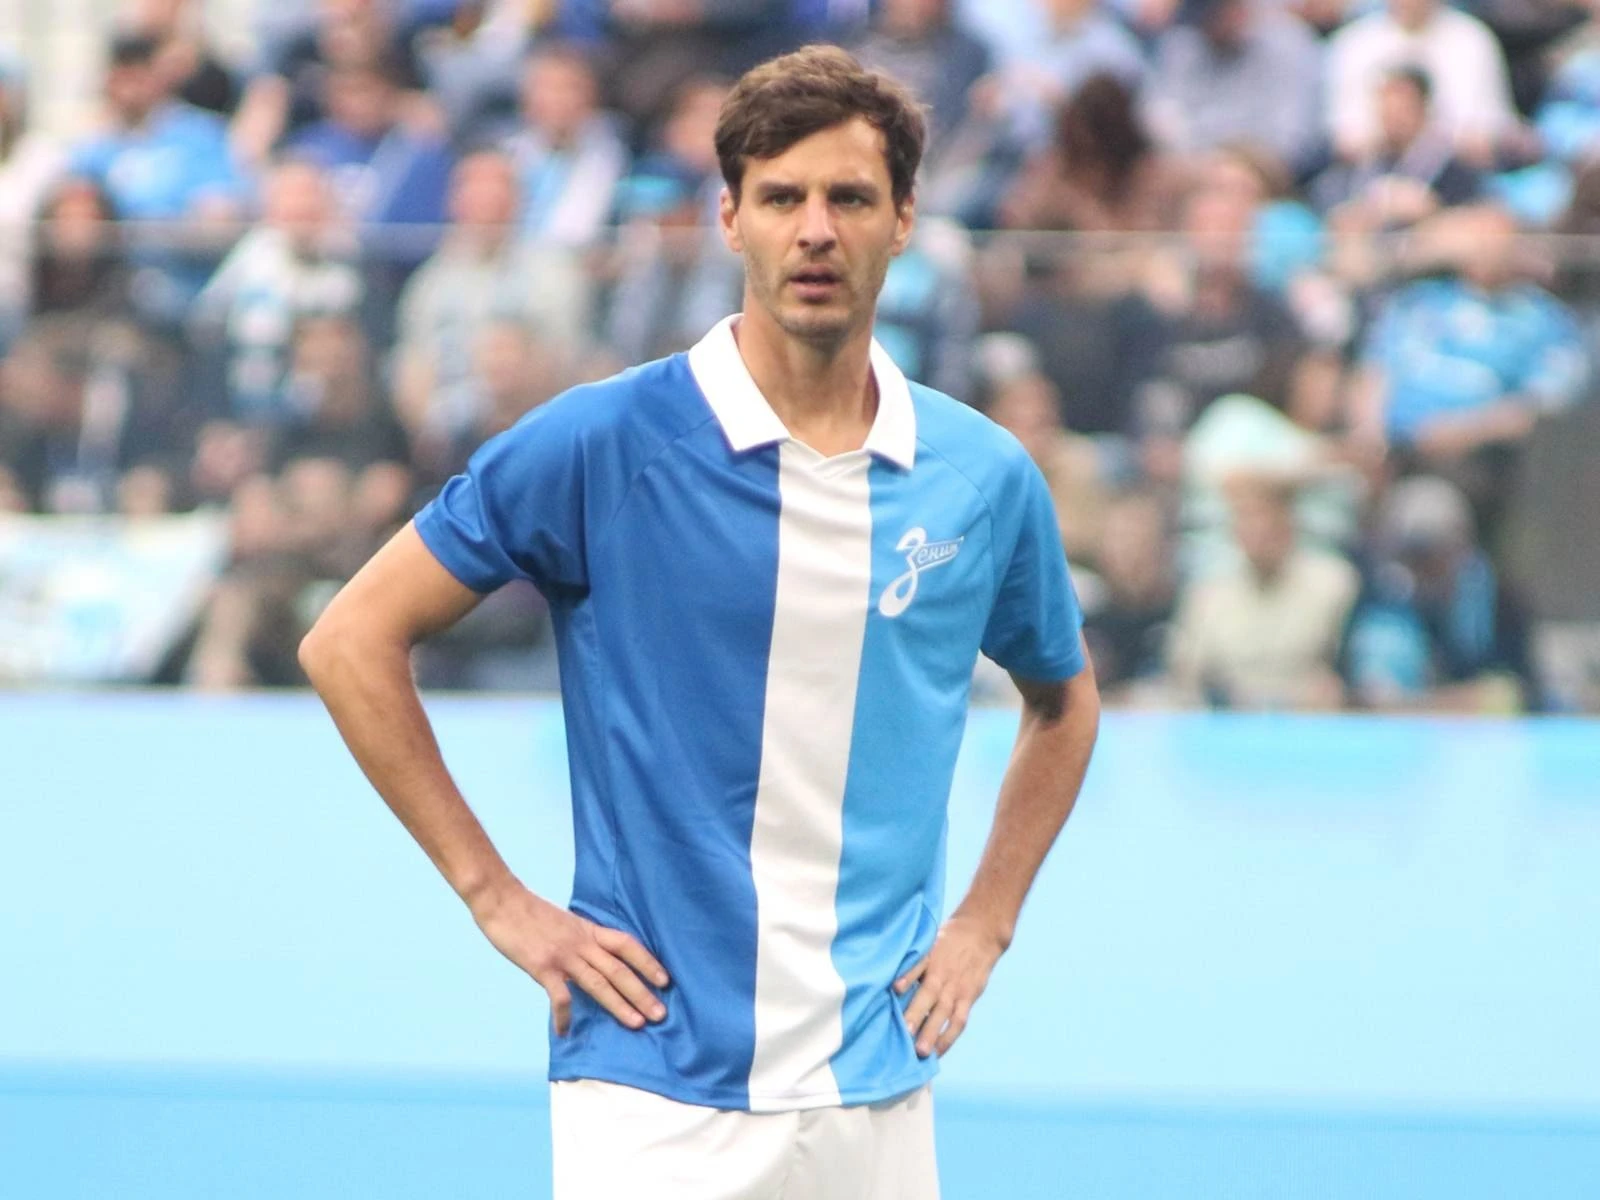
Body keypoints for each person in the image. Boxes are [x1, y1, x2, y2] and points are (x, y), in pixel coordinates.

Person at [300, 45, 1100, 1199]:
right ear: (728, 217)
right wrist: (497, 900)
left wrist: (986, 922)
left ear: (904, 221)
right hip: (651, 1089)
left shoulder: (978, 475)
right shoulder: (602, 441)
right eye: (780, 198)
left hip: (878, 1081)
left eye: (849, 199)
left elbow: (1063, 700)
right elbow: (347, 641)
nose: (814, 231)